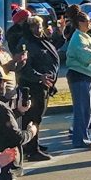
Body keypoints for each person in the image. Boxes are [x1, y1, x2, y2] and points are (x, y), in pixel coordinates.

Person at [17, 16, 58, 161]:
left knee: (38, 117)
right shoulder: (26, 43)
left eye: (39, 26)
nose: (38, 29)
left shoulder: (42, 41)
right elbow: (24, 68)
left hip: (44, 85)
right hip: (32, 86)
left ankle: (34, 144)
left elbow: (54, 48)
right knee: (32, 117)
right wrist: (40, 77)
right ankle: (32, 149)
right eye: (34, 26)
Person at [65, 11, 91, 149]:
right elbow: (86, 57)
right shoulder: (77, 38)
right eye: (87, 21)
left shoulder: (85, 36)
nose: (89, 23)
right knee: (81, 109)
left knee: (87, 109)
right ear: (80, 23)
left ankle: (84, 136)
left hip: (87, 76)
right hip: (79, 75)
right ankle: (79, 139)